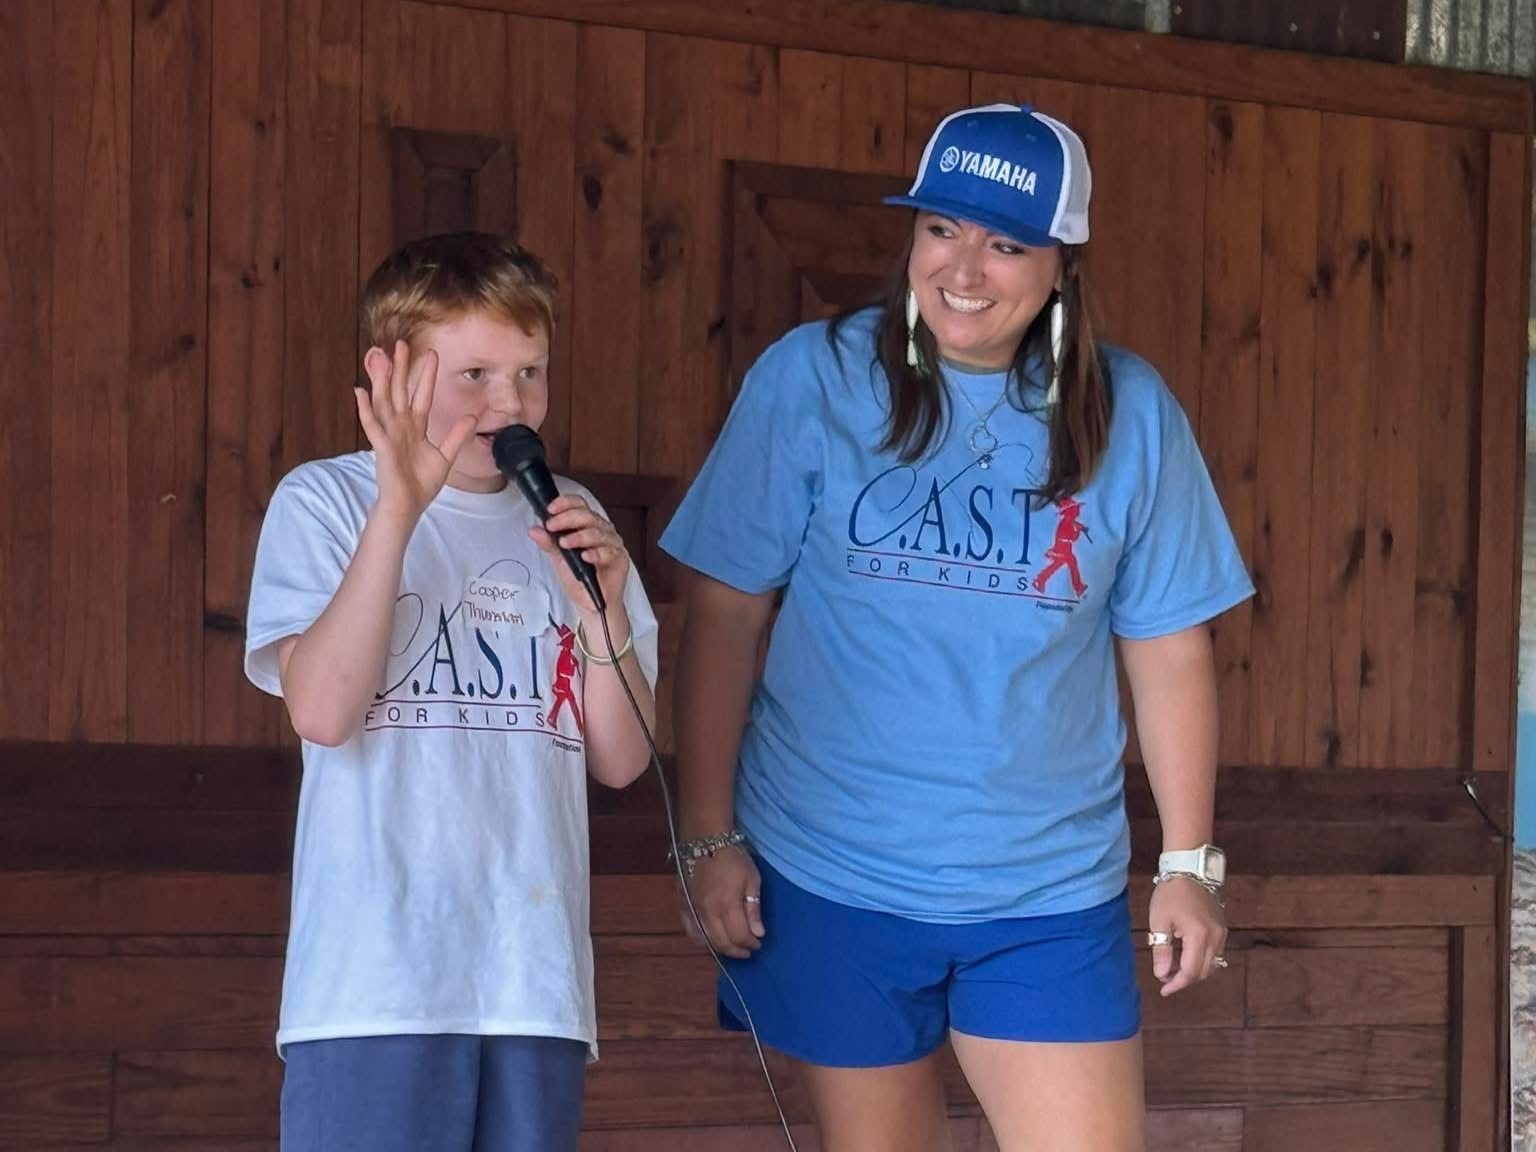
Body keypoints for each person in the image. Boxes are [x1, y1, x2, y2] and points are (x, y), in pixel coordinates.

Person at [659, 104, 1252, 1152]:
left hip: (1044, 887)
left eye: (1007, 243)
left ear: (1061, 262)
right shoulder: (815, 376)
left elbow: (1166, 649)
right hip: (831, 869)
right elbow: (723, 611)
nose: (965, 268)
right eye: (942, 228)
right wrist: (707, 834)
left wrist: (1189, 862)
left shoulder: (1130, 412)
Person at [244, 230, 659, 1152]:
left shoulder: (569, 518)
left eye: (530, 374)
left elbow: (624, 759)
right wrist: (401, 506)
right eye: (474, 375)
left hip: (532, 981)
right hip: (374, 981)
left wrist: (606, 610)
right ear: (391, 373)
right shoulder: (326, 503)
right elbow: (321, 710)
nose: (509, 404)